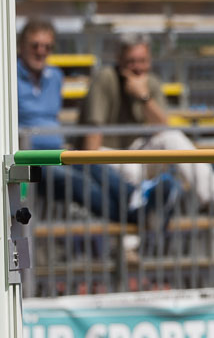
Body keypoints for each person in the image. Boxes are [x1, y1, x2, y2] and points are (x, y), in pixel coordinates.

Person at [16, 18, 180, 225]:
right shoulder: (8, 77)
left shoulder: (55, 76)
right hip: (27, 160)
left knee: (90, 163)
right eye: (35, 45)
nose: (41, 51)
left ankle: (135, 203)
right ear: (21, 46)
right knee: (78, 182)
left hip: (55, 153)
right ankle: (136, 208)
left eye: (47, 46)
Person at [78, 33, 214, 209]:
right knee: (132, 172)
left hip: (135, 155)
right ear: (119, 60)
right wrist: (93, 166)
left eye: (143, 61)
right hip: (104, 157)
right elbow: (92, 138)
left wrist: (143, 97)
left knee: (172, 138)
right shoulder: (105, 78)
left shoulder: (151, 83)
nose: (138, 67)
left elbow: (163, 127)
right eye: (131, 61)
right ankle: (141, 211)